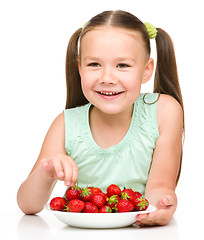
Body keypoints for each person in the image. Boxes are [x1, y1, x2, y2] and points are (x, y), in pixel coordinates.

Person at [17, 10, 184, 226]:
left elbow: (160, 185)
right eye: (94, 64)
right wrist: (45, 172)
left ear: (146, 70)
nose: (107, 78)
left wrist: (163, 203)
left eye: (122, 65)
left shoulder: (164, 111)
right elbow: (27, 205)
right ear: (79, 68)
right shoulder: (66, 123)